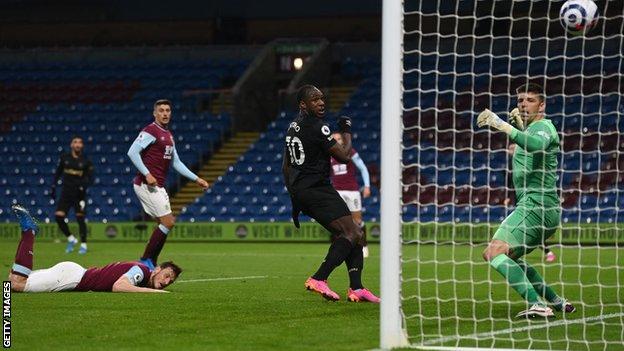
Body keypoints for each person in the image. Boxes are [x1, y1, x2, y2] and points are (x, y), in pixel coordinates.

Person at [477, 83, 575, 318]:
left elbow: (537, 145)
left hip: (537, 206)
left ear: (542, 105)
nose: (523, 104)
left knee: (493, 252)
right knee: (510, 255)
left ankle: (537, 304)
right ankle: (556, 301)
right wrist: (520, 126)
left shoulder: (544, 127)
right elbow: (529, 148)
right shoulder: (531, 129)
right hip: (536, 207)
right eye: (520, 100)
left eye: (530, 100)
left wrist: (503, 125)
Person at [282, 84, 379, 303]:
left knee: (355, 232)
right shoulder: (318, 127)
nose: (321, 102)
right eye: (315, 100)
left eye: (322, 98)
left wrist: (294, 197)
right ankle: (319, 278)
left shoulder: (292, 127)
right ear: (303, 104)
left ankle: (357, 288)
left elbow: (285, 165)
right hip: (317, 189)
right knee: (352, 233)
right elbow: (345, 156)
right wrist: (346, 130)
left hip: (304, 190)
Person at [7, 204, 181, 293]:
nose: (166, 282)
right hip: (72, 278)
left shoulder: (142, 274)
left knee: (11, 281)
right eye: (167, 276)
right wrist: (152, 292)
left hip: (74, 272)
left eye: (170, 282)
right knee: (17, 284)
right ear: (157, 269)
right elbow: (119, 286)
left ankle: (28, 231)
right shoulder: (142, 271)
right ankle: (29, 231)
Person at [127, 99, 209, 270]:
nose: (165, 113)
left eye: (168, 110)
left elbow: (176, 163)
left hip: (158, 186)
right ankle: (145, 259)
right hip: (146, 184)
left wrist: (196, 179)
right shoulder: (151, 130)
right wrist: (147, 174)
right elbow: (132, 152)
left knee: (165, 224)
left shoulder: (168, 135)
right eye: (161, 110)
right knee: (168, 222)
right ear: (155, 113)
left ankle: (151, 261)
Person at [506, 143, 557, 263]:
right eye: (509, 149)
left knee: (531, 229)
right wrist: (509, 197)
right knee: (519, 228)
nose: (510, 151)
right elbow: (512, 184)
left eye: (512, 148)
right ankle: (513, 250)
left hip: (530, 200)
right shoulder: (511, 165)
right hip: (519, 200)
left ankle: (548, 252)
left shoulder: (526, 162)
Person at [330, 132, 372, 258]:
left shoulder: (350, 152)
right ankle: (339, 248)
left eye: (338, 138)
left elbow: (363, 168)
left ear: (343, 140)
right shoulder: (329, 154)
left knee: (357, 221)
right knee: (337, 221)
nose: (336, 140)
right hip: (337, 191)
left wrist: (367, 186)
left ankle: (363, 245)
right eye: (334, 139)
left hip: (352, 190)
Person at [51, 135, 94, 254]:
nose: (78, 144)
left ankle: (84, 245)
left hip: (79, 194)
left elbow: (91, 178)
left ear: (82, 146)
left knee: (80, 219)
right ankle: (71, 239)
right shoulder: (64, 158)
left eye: (80, 142)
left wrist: (83, 186)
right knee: (58, 217)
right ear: (71, 145)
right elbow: (58, 173)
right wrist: (53, 186)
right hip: (66, 193)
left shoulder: (86, 161)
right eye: (75, 142)